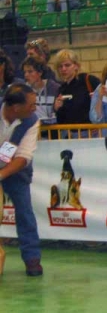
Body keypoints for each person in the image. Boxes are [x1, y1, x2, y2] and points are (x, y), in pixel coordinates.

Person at [0, 83, 43, 276]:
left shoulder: (31, 120)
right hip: (5, 158)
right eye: (32, 104)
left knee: (25, 211)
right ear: (16, 108)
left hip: (15, 170)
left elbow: (23, 156)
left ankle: (32, 259)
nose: (35, 108)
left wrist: (1, 173)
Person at [53, 49, 101, 137]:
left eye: (67, 65)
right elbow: (61, 120)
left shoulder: (89, 80)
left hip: (91, 134)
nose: (63, 69)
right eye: (60, 66)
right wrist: (57, 109)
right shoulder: (61, 89)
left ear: (76, 65)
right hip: (68, 135)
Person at [22, 55, 61, 129]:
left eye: (30, 71)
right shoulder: (23, 90)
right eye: (25, 72)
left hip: (51, 132)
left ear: (40, 72)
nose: (26, 75)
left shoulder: (55, 88)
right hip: (32, 131)